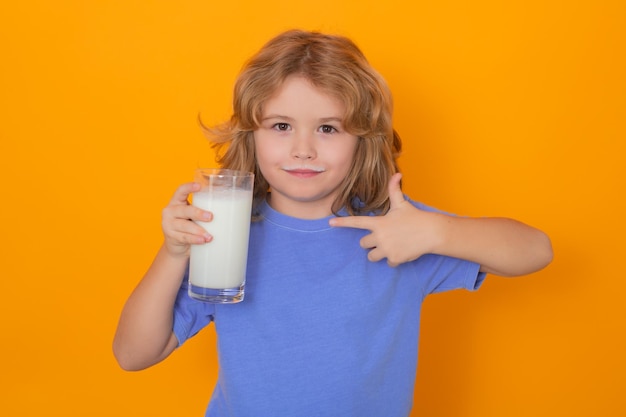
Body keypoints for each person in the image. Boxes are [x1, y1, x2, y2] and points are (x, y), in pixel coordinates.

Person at [113, 29, 553, 417]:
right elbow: (133, 354)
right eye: (281, 125)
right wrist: (174, 253)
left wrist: (438, 232)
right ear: (251, 135)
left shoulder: (396, 229)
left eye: (328, 129)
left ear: (363, 140)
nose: (303, 149)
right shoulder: (226, 235)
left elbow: (536, 251)